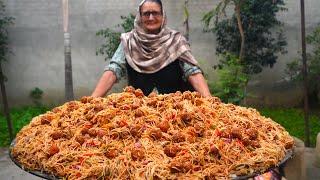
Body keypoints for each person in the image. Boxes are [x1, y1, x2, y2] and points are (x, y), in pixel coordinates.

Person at [91, 0, 211, 98]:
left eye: (155, 13)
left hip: (174, 113)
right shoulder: (129, 41)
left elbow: (192, 72)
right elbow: (113, 70)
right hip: (138, 113)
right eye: (146, 13)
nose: (151, 17)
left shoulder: (176, 41)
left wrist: (209, 100)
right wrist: (92, 101)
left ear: (163, 15)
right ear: (140, 16)